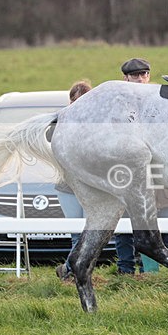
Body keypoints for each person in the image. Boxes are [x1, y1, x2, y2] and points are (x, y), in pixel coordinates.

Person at [116, 58, 168, 274]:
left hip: (165, 175)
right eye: (135, 75)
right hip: (133, 177)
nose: (140, 79)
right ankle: (148, 276)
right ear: (126, 78)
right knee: (138, 231)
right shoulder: (118, 105)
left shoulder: (162, 100)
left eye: (144, 74)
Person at [55, 80, 92, 280]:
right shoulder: (61, 121)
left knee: (89, 232)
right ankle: (73, 272)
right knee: (76, 233)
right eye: (75, 102)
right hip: (67, 185)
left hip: (91, 186)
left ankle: (73, 270)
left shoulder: (97, 123)